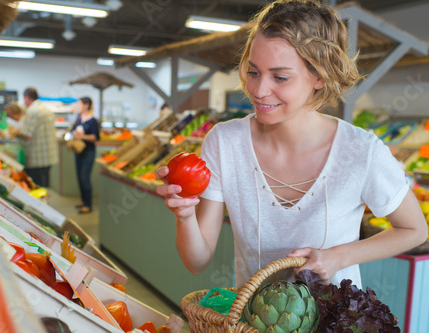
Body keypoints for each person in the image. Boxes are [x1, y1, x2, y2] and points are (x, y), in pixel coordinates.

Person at [156, 0, 428, 288]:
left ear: (319, 76)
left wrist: (339, 257)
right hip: (253, 323)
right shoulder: (225, 143)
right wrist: (184, 215)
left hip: (335, 321)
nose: (259, 91)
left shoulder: (361, 150)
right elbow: (196, 263)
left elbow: (415, 229)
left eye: (280, 77)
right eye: (253, 72)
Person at [18, 87, 58, 187]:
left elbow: (26, 135)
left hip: (36, 157)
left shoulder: (32, 111)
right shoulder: (46, 109)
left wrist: (15, 133)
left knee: (36, 185)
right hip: (49, 155)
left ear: (26, 97)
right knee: (45, 185)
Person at [70, 97, 100, 214]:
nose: (78, 107)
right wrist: (74, 133)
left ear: (86, 105)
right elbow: (73, 129)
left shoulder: (93, 121)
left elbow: (96, 137)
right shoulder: (78, 118)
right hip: (78, 152)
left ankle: (88, 204)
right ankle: (83, 200)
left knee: (84, 177)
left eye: (80, 105)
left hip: (88, 152)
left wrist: (82, 137)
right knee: (79, 176)